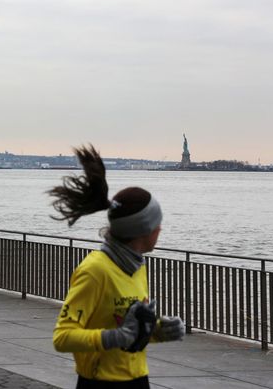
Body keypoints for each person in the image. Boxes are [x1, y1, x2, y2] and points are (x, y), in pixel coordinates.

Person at [50, 145, 184, 389]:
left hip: (138, 379)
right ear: (142, 231)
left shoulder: (137, 265)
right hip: (99, 382)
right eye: (157, 225)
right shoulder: (95, 270)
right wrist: (117, 337)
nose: (160, 230)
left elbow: (126, 327)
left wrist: (158, 331)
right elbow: (63, 338)